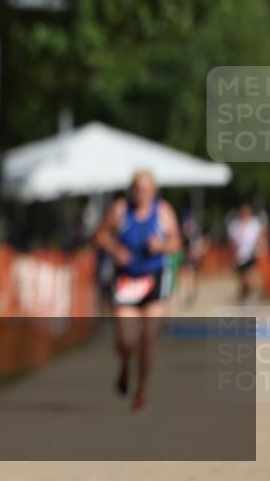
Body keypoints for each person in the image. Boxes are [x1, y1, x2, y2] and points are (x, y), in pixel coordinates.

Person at [93, 170, 181, 411]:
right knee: (127, 339)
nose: (140, 193)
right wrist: (115, 250)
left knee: (148, 338)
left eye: (145, 189)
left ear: (154, 191)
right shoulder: (121, 210)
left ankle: (141, 390)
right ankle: (125, 365)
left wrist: (161, 245)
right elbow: (100, 235)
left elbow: (176, 243)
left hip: (154, 280)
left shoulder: (163, 211)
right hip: (127, 283)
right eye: (137, 188)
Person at [227, 203, 266, 303]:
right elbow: (233, 243)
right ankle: (244, 295)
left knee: (250, 275)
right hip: (240, 256)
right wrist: (232, 257)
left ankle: (257, 293)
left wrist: (260, 246)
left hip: (252, 254)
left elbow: (260, 236)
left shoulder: (254, 223)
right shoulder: (235, 225)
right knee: (243, 279)